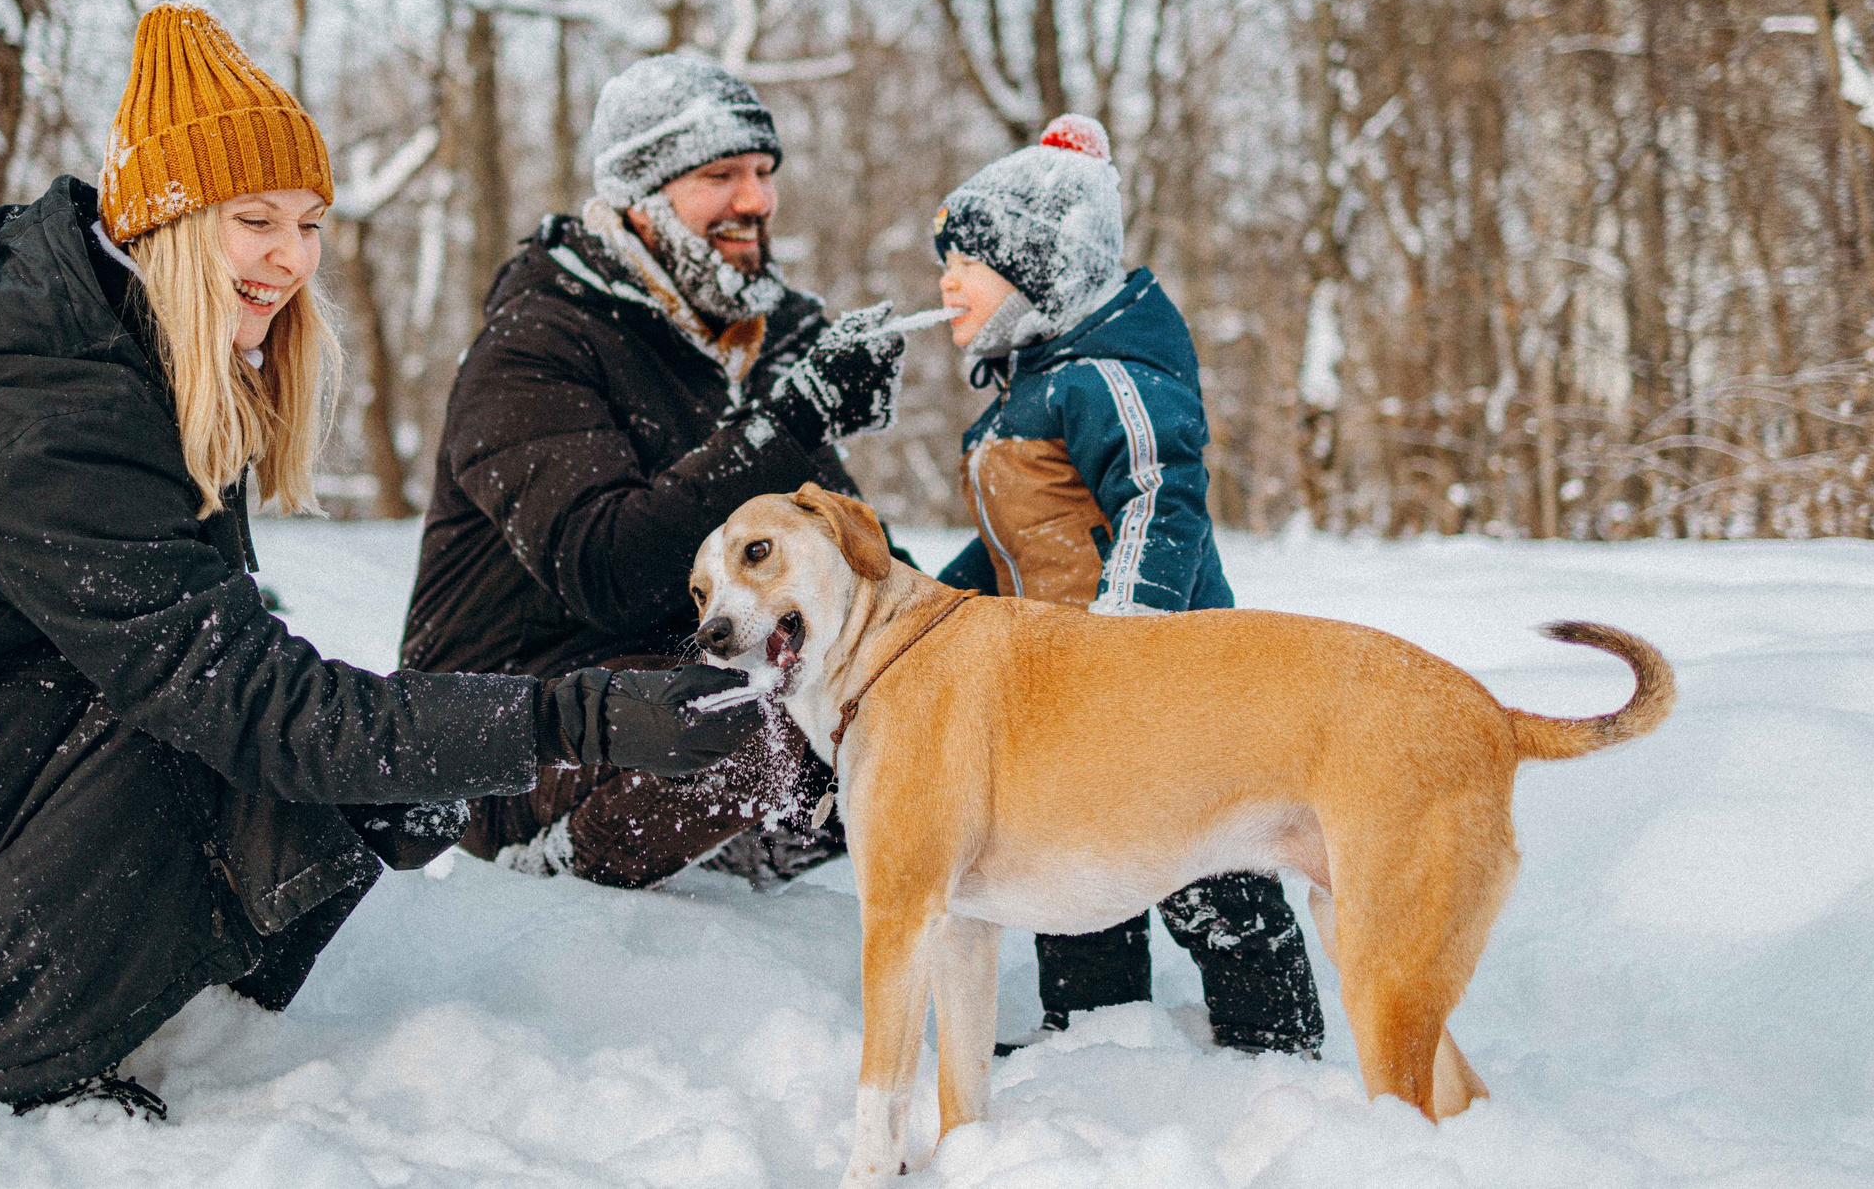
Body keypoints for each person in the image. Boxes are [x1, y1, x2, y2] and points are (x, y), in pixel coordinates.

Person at [0, 2, 754, 1117]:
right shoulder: (65, 413)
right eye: (256, 220)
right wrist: (569, 719)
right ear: (166, 222)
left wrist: (388, 771)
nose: (291, 258)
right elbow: (252, 707)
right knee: (181, 741)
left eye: (308, 223)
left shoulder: (128, 362)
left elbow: (241, 678)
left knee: (219, 728)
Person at [401, 54, 909, 888]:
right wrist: (791, 418)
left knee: (901, 669)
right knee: (760, 714)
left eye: (762, 172)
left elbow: (831, 570)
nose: (756, 200)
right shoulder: (534, 344)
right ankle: (563, 863)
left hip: (676, 677)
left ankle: (779, 829)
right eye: (720, 175)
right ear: (641, 200)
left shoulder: (755, 338)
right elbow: (608, 569)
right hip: (516, 734)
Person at [930, 114, 1325, 1059]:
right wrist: (923, 613)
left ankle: (1275, 1048)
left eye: (969, 264)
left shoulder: (1109, 376)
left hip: (1169, 689)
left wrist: (1121, 643)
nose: (945, 283)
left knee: (1208, 867)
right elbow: (1013, 554)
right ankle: (1097, 1042)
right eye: (944, 263)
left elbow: (1161, 500)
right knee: (1073, 867)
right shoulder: (1021, 397)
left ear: (1039, 271)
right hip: (1067, 696)